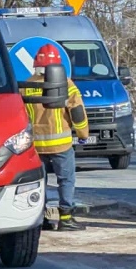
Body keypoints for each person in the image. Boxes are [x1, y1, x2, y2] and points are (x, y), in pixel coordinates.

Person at [22, 43, 89, 231]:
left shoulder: (26, 85)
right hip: (61, 145)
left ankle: (39, 218)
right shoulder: (66, 84)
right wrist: (83, 134)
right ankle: (66, 218)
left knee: (37, 182)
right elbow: (77, 112)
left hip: (35, 146)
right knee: (66, 180)